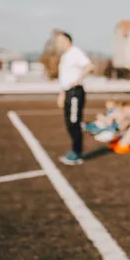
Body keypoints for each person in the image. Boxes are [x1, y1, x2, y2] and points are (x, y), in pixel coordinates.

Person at [55, 31, 94, 165]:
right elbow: (64, 78)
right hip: (68, 93)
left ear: (67, 41)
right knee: (69, 123)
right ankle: (74, 151)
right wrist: (62, 93)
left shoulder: (75, 52)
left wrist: (77, 81)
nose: (57, 44)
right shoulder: (65, 56)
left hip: (75, 93)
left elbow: (89, 66)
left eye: (60, 41)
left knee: (74, 123)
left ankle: (77, 154)